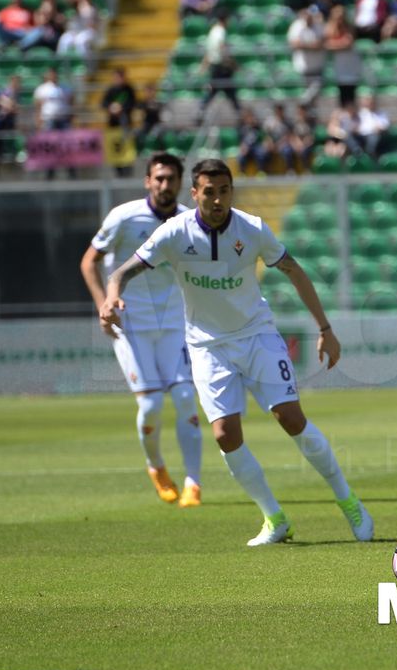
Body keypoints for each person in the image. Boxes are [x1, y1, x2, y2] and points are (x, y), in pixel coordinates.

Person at [99, 159, 374, 546]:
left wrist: (325, 329)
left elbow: (294, 270)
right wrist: (111, 299)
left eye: (223, 191)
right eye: (208, 191)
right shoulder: (173, 233)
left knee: (290, 418)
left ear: (231, 192)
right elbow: (120, 273)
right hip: (207, 347)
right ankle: (274, 518)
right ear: (194, 194)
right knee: (226, 435)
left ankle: (350, 502)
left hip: (256, 336)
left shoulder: (252, 228)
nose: (216, 199)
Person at [79, 154, 204, 507]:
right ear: (148, 181)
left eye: (171, 179)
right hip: (130, 324)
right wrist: (104, 303)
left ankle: (194, 483)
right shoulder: (124, 216)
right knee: (150, 406)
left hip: (174, 324)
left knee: (183, 398)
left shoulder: (187, 220)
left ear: (181, 183)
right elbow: (88, 261)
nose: (165, 185)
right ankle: (157, 466)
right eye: (159, 179)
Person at [198, 11, 240, 122]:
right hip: (221, 67)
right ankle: (239, 113)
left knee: (219, 91)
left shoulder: (213, 31)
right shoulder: (221, 31)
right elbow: (222, 48)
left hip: (215, 66)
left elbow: (208, 51)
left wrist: (204, 65)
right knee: (227, 90)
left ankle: (201, 111)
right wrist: (233, 63)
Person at [323, 3, 361, 106]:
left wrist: (335, 45)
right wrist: (339, 44)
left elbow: (348, 43)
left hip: (350, 67)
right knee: (341, 99)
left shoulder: (349, 28)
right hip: (337, 69)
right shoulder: (330, 28)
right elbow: (327, 45)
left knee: (351, 98)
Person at [288, 8, 326, 108]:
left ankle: (307, 110)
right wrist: (311, 46)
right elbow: (294, 44)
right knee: (305, 93)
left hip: (317, 66)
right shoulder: (297, 26)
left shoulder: (319, 26)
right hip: (302, 66)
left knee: (315, 94)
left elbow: (320, 44)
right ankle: (303, 109)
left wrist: (305, 45)